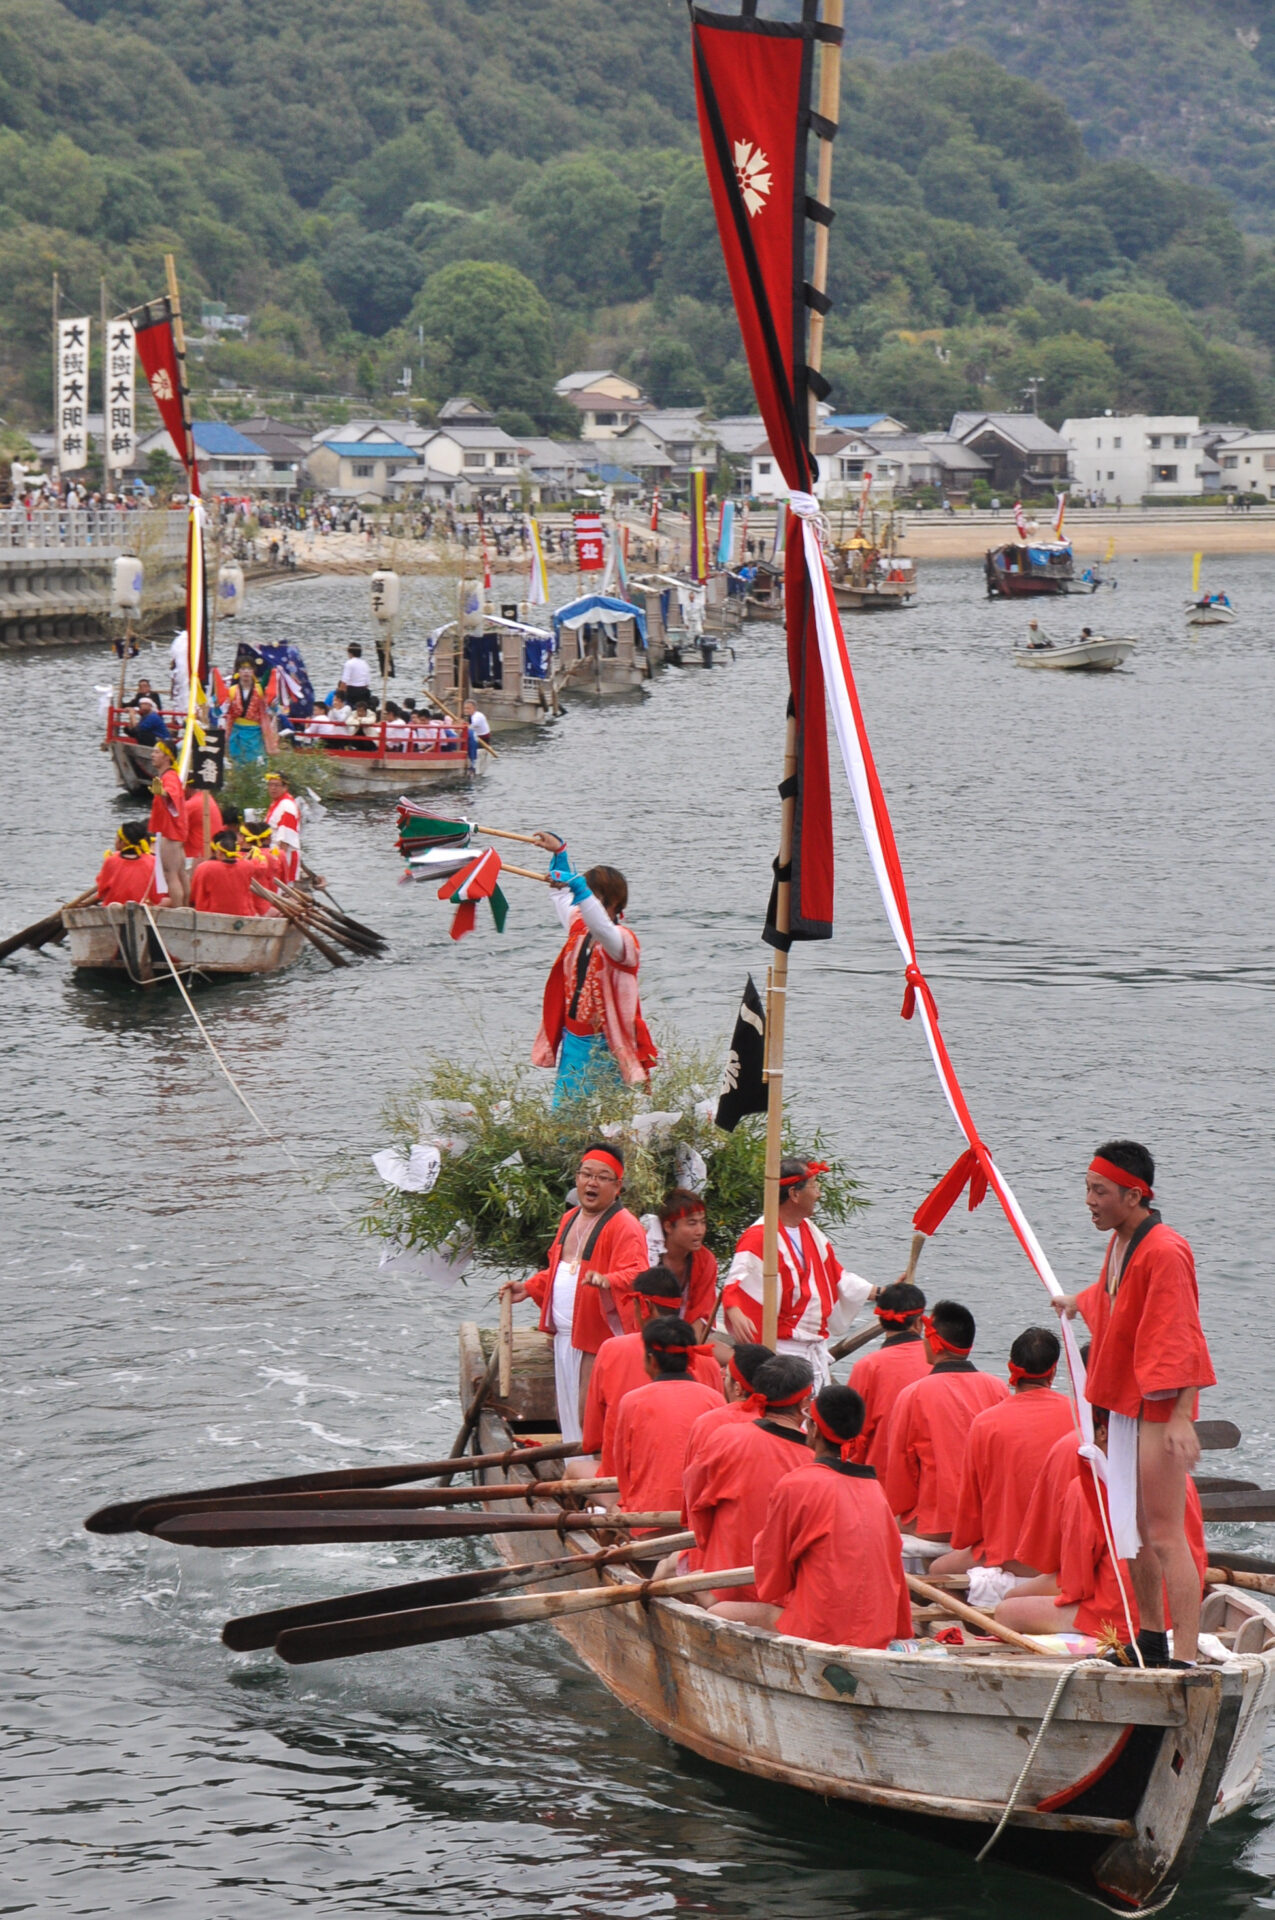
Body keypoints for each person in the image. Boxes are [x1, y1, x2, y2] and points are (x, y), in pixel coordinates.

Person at [1053, 1140, 1215, 1665]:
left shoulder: (1166, 1250)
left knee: (1165, 1534)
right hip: (1126, 1403)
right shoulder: (1121, 1240)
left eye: (1099, 1191)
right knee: (1135, 1530)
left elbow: (1183, 1334)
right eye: (1087, 1189)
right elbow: (1114, 1297)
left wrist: (1182, 1417)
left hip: (1157, 1406)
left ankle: (1185, 1657)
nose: (1090, 1201)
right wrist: (1077, 1301)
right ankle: (1149, 1641)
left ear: (1134, 1194)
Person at [995, 1409, 1207, 1649]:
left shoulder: (1090, 1485)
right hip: (1179, 1614)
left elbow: (1076, 1587)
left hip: (1119, 1618)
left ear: (1104, 1432)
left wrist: (1018, 1592)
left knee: (1006, 1609)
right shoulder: (1181, 1481)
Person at [732, 1384, 913, 1646]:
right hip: (876, 1629)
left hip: (821, 1630)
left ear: (814, 1429)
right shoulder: (875, 1489)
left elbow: (772, 1580)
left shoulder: (797, 1485)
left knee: (717, 1613)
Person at [504, 1144, 649, 1444]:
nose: (592, 1183)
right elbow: (560, 1269)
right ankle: (578, 1475)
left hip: (599, 1336)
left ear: (617, 1186)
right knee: (567, 1414)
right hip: (565, 1335)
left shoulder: (626, 1226)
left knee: (590, 1414)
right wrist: (529, 1287)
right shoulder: (569, 1219)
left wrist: (608, 1280)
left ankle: (598, 1478)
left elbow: (638, 1272)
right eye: (586, 1174)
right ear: (577, 1178)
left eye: (602, 1177)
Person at [930, 1327, 1075, 1580]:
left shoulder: (985, 1423)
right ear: (1052, 1371)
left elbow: (969, 1515)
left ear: (1011, 1367)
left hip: (1008, 1557)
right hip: (1063, 1557)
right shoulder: (1080, 1419)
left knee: (935, 1572)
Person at [721, 1159, 876, 1387]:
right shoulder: (758, 1236)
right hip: (781, 1348)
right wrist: (733, 1308)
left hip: (813, 1346)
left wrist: (882, 1293)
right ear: (794, 1194)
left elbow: (836, 1276)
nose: (819, 1194)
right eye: (814, 1186)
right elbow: (735, 1282)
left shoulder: (808, 1230)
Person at [529, 833, 657, 1102]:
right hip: (575, 1040)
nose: (580, 904)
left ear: (611, 904)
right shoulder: (579, 928)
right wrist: (560, 853)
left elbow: (600, 925)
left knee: (613, 1121)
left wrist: (579, 888)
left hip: (609, 1046)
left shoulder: (623, 944)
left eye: (588, 897)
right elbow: (562, 897)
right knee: (564, 1121)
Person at [679, 1354, 815, 1603]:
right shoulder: (814, 1461)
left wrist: (706, 1542)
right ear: (805, 1402)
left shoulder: (725, 1437)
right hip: (785, 1596)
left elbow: (694, 1503)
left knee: (673, 1567)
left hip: (724, 1582)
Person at [572, 1268, 724, 1482]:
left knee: (574, 1471)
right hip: (696, 1483)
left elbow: (593, 1437)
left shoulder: (615, 1353)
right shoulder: (706, 1361)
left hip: (629, 1483)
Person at [884, 1301, 1009, 1545]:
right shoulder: (999, 1388)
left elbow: (900, 1472)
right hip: (988, 1520)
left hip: (938, 1520)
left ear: (935, 1342)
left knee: (881, 1522)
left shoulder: (913, 1394)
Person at [610, 1317, 724, 1530]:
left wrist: (631, 1503)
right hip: (701, 1517)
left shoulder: (632, 1401)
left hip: (650, 1516)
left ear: (652, 1360)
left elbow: (623, 1465)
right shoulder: (714, 1399)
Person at [848, 1280, 929, 1480]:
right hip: (930, 1472)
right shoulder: (936, 1360)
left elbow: (852, 1431)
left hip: (881, 1473)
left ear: (881, 1321)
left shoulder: (867, 1366)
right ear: (919, 1323)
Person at [683, 1343, 776, 1466]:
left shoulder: (709, 1422)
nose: (722, 1379)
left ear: (738, 1388)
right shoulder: (789, 1426)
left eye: (726, 1375)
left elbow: (693, 1478)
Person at [649, 1189, 718, 1339]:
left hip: (684, 1338)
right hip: (643, 1334)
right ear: (668, 1227)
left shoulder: (706, 1260)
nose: (700, 1231)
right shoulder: (648, 1256)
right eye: (692, 1223)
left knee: (731, 1356)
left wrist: (687, 1354)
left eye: (703, 1222)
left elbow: (699, 1315)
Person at [190, 828, 280, 916]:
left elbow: (194, 898)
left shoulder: (203, 867)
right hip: (245, 915)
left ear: (218, 852)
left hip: (209, 916)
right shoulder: (248, 866)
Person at [147, 742, 189, 906]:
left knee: (170, 874)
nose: (153, 755)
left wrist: (163, 793)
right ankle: (184, 906)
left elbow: (172, 796)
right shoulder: (169, 776)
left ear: (166, 756)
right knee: (180, 873)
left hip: (170, 832)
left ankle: (179, 911)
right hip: (175, 831)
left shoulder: (169, 777)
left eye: (156, 752)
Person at [224, 662, 277, 764]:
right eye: (243, 669)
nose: (246, 672)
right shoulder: (232, 690)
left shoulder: (260, 690)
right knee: (237, 760)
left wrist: (272, 706)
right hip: (236, 731)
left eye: (249, 669)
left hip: (255, 732)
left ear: (253, 672)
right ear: (238, 672)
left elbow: (270, 710)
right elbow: (222, 711)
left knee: (256, 761)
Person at [96, 822, 158, 905]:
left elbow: (101, 892)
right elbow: (157, 896)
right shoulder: (153, 860)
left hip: (114, 909)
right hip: (145, 907)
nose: (115, 841)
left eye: (117, 838)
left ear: (123, 842)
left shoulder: (111, 861)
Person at [264, 771, 302, 883]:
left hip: (284, 856)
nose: (273, 788)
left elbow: (285, 840)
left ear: (285, 787)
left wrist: (278, 864)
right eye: (270, 785)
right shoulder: (277, 802)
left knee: (282, 890)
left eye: (277, 785)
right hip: (275, 852)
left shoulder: (286, 806)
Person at [182, 780, 223, 864]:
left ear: (187, 786)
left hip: (196, 859)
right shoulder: (207, 798)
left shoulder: (192, 804)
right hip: (210, 855)